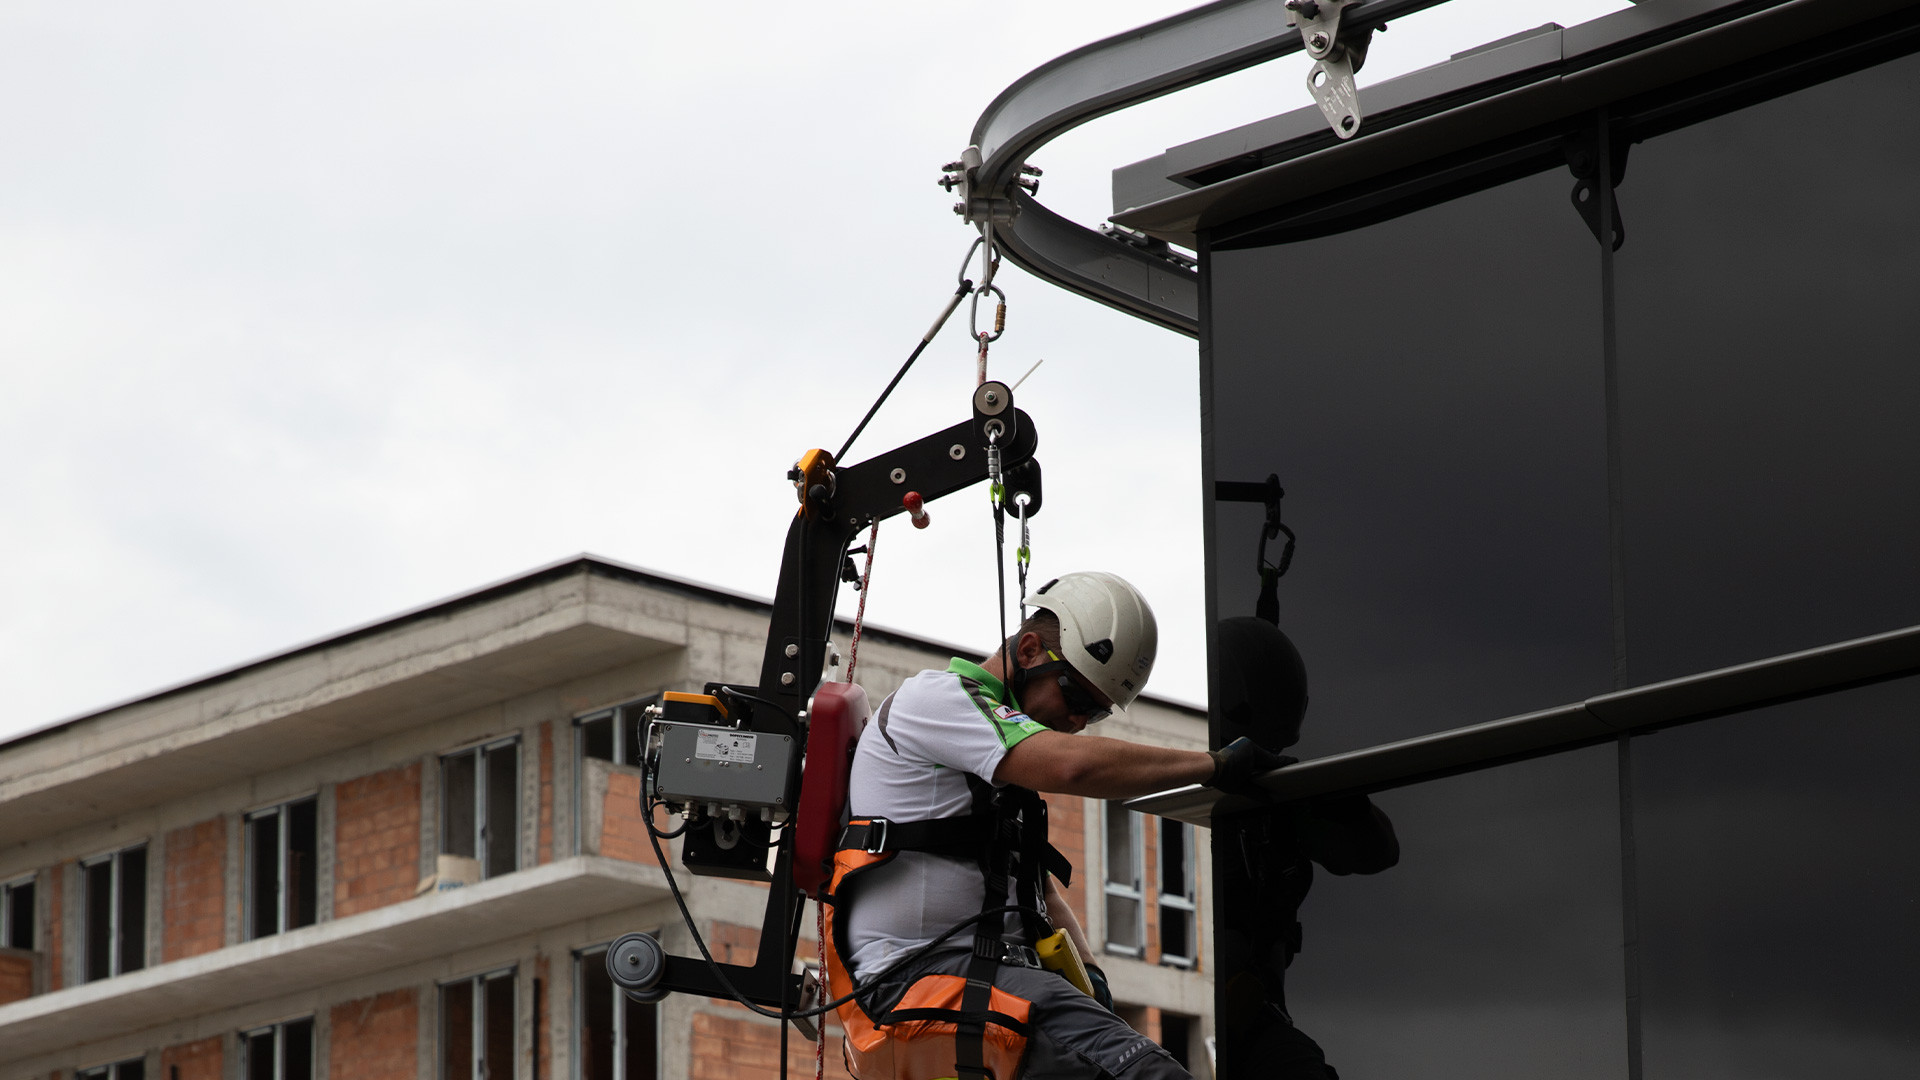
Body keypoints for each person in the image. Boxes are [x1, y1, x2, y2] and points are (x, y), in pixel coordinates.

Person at [825, 571, 1280, 1080]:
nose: (1078, 723)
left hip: (988, 977)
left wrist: (1095, 982)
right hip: (916, 977)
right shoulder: (934, 700)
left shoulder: (995, 770)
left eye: (1097, 714)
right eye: (1077, 700)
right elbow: (1074, 766)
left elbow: (1039, 893)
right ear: (1028, 651)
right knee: (1148, 1073)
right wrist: (1216, 767)